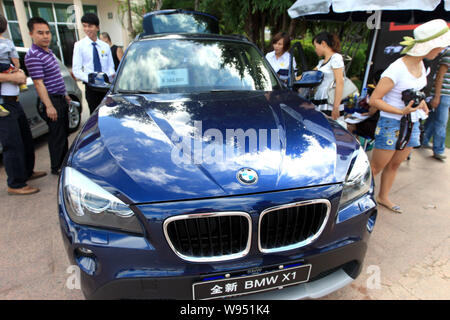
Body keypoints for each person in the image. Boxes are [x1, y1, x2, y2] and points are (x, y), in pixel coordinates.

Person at [369, 19, 450, 214]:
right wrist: (400, 112)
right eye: (439, 47)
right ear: (429, 46)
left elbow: (415, 91)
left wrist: (421, 103)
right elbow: (374, 100)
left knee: (396, 163)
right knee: (376, 166)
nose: (440, 51)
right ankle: (363, 200)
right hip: (391, 122)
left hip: (412, 123)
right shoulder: (396, 69)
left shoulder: (423, 65)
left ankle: (383, 196)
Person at [25, 17, 71, 176]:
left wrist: (65, 95)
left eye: (47, 32)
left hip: (59, 97)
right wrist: (49, 106)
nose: (45, 36)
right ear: (31, 34)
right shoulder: (33, 55)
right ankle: (57, 167)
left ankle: (64, 162)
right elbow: (39, 83)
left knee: (63, 132)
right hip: (50, 100)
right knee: (56, 135)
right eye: (40, 33)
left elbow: (55, 77)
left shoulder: (48, 52)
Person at [0, 55, 46, 195]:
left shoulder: (5, 54)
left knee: (26, 140)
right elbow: (15, 76)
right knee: (12, 145)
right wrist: (14, 78)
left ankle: (27, 172)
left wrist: (19, 74)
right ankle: (16, 184)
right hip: (4, 105)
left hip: (15, 102)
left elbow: (18, 71)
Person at [72, 13, 115, 114]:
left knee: (108, 113)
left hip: (106, 86)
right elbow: (76, 70)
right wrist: (92, 79)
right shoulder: (79, 46)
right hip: (91, 88)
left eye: (90, 26)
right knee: (95, 115)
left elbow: (111, 67)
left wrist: (106, 78)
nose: (87, 29)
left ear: (97, 27)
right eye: (85, 26)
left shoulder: (105, 46)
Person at [422, 47, 449, 161]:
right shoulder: (449, 55)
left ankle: (423, 140)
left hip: (446, 94)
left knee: (433, 119)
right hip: (442, 94)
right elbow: (439, 76)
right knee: (441, 123)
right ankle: (438, 150)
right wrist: (437, 97)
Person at [311, 31, 345, 121]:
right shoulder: (321, 63)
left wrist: (336, 107)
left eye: (315, 46)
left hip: (330, 101)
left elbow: (340, 82)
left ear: (323, 44)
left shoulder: (336, 58)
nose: (315, 50)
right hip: (321, 98)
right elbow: (307, 75)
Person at [0, 15, 27, 117]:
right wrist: (16, 69)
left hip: (12, 103)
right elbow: (15, 59)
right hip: (6, 67)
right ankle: (22, 85)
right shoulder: (8, 42)